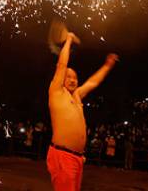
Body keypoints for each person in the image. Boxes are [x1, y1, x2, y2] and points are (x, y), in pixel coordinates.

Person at [47, 32, 118, 191]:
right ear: (61, 79)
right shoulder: (56, 92)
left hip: (77, 158)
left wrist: (107, 66)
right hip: (62, 156)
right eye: (69, 77)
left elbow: (93, 82)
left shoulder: (77, 95)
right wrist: (69, 40)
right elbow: (62, 65)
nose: (73, 80)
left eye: (75, 78)